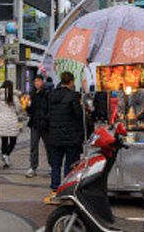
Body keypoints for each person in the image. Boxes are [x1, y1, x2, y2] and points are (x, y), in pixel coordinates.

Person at [43, 71, 83, 204]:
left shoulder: (51, 95)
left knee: (55, 165)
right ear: (71, 82)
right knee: (70, 166)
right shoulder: (74, 96)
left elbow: (47, 114)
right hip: (71, 137)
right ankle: (67, 191)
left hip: (54, 136)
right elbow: (78, 115)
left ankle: (55, 190)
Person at [25, 74, 49, 178]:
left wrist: (46, 119)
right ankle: (33, 167)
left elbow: (48, 108)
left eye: (38, 81)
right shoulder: (32, 94)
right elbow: (31, 110)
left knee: (48, 146)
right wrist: (26, 107)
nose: (36, 83)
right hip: (34, 123)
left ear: (42, 82)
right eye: (35, 81)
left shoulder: (47, 93)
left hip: (44, 124)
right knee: (33, 146)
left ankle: (52, 166)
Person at [0, 80, 21, 169]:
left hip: (1, 119)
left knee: (4, 141)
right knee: (13, 141)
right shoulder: (14, 97)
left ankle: (5, 157)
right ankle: (7, 155)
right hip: (12, 119)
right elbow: (18, 109)